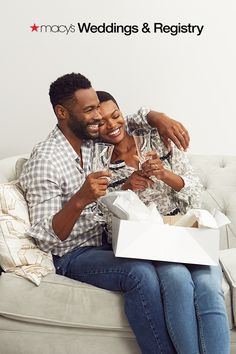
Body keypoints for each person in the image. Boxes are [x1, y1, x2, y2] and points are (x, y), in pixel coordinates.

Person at [19, 72, 193, 354]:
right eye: (89, 110)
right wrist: (80, 199)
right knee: (140, 273)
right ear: (62, 112)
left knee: (163, 270)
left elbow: (125, 121)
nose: (98, 118)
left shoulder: (89, 143)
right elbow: (48, 239)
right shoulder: (45, 160)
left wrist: (156, 116)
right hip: (72, 254)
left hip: (107, 242)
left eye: (97, 110)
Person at [96, 90, 230, 354]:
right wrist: (127, 188)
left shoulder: (157, 139)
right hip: (151, 244)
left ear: (122, 113)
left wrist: (165, 174)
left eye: (115, 115)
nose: (112, 125)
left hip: (187, 233)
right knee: (177, 282)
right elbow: (103, 221)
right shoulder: (98, 162)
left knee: (208, 287)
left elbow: (194, 196)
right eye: (101, 122)